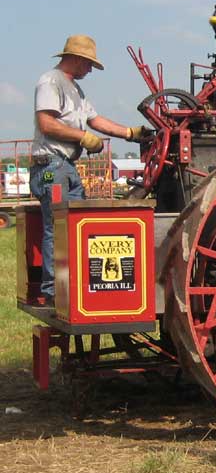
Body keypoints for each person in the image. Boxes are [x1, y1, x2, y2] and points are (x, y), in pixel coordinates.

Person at [31, 35, 148, 306]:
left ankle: (70, 286)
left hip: (64, 167)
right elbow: (47, 123)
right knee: (58, 227)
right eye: (89, 64)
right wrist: (81, 137)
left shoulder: (75, 89)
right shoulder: (51, 81)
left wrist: (130, 133)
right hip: (51, 168)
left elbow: (95, 120)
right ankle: (53, 292)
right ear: (76, 59)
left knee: (75, 228)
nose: (91, 70)